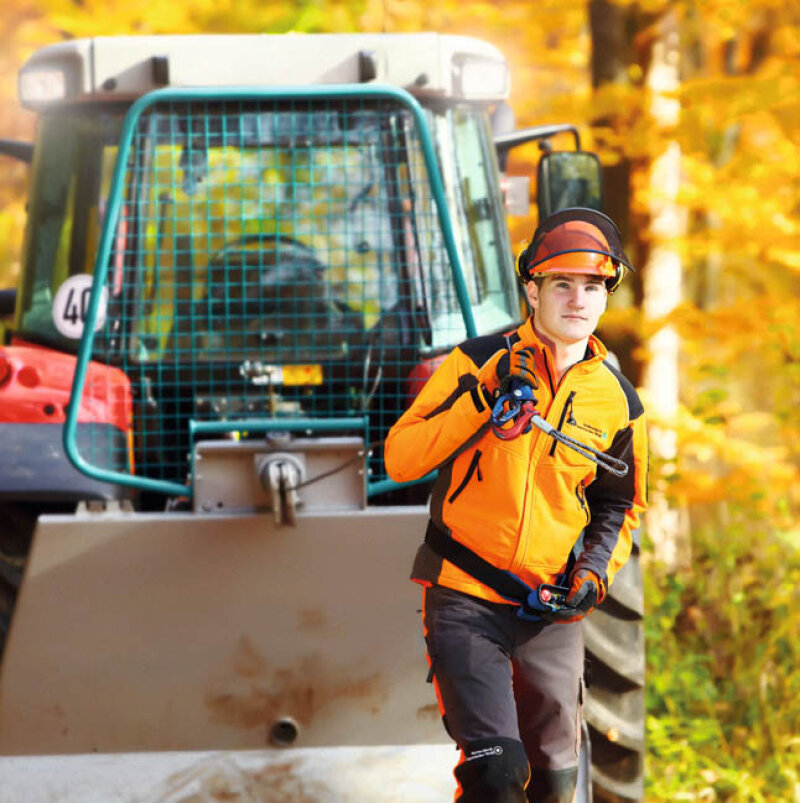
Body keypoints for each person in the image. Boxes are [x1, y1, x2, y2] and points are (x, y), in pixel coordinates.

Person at [384, 207, 648, 803]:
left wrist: (592, 574)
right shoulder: (476, 362)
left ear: (605, 296)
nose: (578, 299)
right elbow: (401, 458)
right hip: (464, 597)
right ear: (532, 289)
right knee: (498, 775)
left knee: (556, 784)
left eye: (592, 286)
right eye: (561, 284)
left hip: (548, 609)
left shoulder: (619, 402)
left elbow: (619, 506)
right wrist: (484, 398)